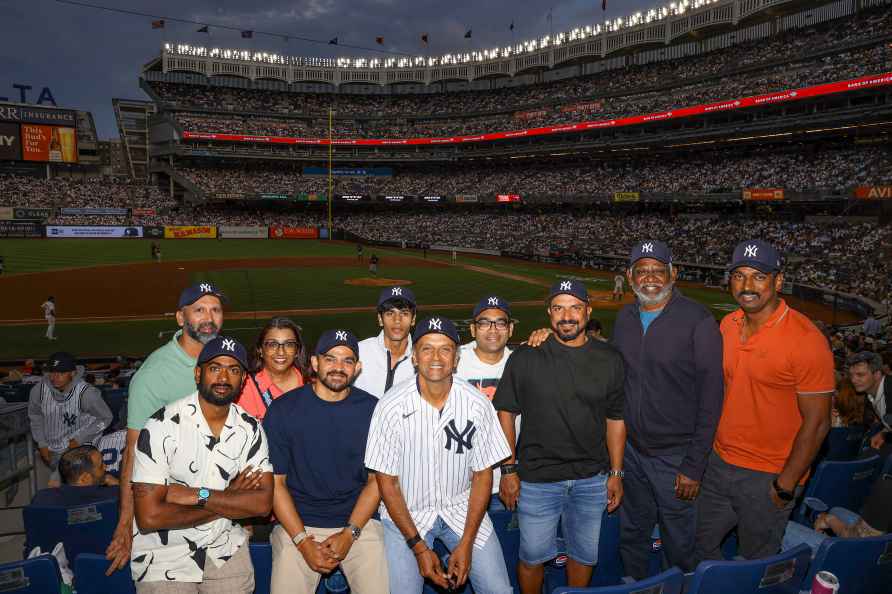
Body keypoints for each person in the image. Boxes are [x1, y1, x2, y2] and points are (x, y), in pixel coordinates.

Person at [695, 240, 833, 562]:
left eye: (759, 276)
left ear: (778, 281)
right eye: (739, 275)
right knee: (699, 546)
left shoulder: (807, 340)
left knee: (756, 560)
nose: (747, 286)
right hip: (718, 463)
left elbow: (818, 422)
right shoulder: (728, 325)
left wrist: (784, 486)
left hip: (767, 475)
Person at [494, 279, 626, 594]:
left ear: (587, 311)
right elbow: (505, 414)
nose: (567, 316)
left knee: (583, 556)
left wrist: (617, 473)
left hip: (591, 479)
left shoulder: (610, 358)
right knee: (532, 558)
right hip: (537, 480)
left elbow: (616, 418)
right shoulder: (526, 356)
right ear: (549, 314)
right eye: (559, 308)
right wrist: (509, 469)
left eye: (575, 307)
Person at [365, 317, 513, 594]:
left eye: (445, 349)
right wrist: (419, 548)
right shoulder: (390, 406)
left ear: (456, 358)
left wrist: (467, 542)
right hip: (406, 515)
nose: (436, 357)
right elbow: (387, 482)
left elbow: (482, 475)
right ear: (414, 357)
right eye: (426, 349)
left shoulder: (476, 403)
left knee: (499, 590)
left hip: (462, 510)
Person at [611, 240, 724, 578]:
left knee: (679, 539)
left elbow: (712, 396)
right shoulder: (624, 317)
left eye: (658, 270)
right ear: (630, 276)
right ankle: (634, 583)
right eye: (642, 270)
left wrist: (694, 464)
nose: (650, 278)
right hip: (632, 450)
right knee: (632, 530)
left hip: (675, 456)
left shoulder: (698, 319)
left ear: (673, 274)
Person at [130, 336, 273, 592]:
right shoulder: (160, 426)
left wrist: (196, 495)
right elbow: (149, 517)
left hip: (225, 547)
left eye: (233, 369)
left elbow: (261, 504)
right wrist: (229, 499)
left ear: (242, 381)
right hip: (164, 553)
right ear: (198, 373)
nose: (223, 377)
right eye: (215, 368)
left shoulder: (250, 428)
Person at [105, 282, 227, 575]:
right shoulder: (154, 374)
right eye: (199, 310)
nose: (209, 318)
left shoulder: (228, 361)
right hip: (171, 514)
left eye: (216, 309)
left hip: (221, 513)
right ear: (181, 318)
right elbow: (134, 454)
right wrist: (126, 524)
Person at [264, 330, 388, 594]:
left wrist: (349, 533)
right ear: (315, 363)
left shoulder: (373, 410)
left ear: (357, 368)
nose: (338, 368)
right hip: (297, 524)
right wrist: (302, 542)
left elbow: (377, 482)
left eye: (347, 360)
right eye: (330, 359)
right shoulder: (284, 410)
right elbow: (276, 485)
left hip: (358, 523)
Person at [455, 296, 515, 508]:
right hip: (459, 485)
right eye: (484, 323)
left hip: (508, 481)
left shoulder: (522, 362)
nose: (493, 329)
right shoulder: (453, 360)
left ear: (510, 330)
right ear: (472, 329)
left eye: (500, 323)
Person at [28, 352, 113, 487]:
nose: (54, 377)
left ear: (72, 373)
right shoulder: (38, 391)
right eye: (52, 372)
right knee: (65, 486)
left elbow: (106, 418)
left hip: (80, 448)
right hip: (51, 448)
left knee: (57, 485)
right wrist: (41, 443)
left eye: (61, 373)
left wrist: (80, 438)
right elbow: (35, 416)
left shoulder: (86, 393)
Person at [781, 473, 892, 553]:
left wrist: (830, 520)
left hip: (862, 558)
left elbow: (858, 540)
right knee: (837, 511)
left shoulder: (887, 489)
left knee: (783, 529)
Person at [238, 317, 307, 422]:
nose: (281, 352)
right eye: (272, 344)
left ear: (297, 351)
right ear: (260, 350)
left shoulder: (310, 383)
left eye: (289, 344)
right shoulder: (244, 387)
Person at [354, 286, 416, 399]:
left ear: (413, 319)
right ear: (380, 319)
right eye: (390, 313)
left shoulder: (424, 357)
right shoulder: (359, 351)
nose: (397, 320)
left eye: (404, 313)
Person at [847, 350, 890, 459]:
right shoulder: (869, 395)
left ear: (877, 375)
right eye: (851, 375)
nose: (854, 380)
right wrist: (884, 433)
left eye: (860, 375)